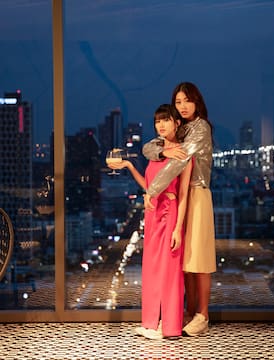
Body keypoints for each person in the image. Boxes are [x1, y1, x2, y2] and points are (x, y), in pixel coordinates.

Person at [108, 104, 192, 339]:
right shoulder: (156, 152)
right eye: (157, 121)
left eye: (165, 120)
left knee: (170, 271)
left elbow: (184, 194)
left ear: (176, 123)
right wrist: (129, 166)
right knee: (152, 270)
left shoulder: (184, 154)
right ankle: (151, 324)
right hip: (153, 215)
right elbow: (148, 187)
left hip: (170, 212)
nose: (161, 125)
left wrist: (178, 228)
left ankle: (170, 325)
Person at [143, 82, 216, 336]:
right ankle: (187, 310)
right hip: (178, 198)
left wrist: (151, 191)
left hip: (197, 194)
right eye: (178, 102)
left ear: (197, 102)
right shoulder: (179, 128)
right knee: (182, 259)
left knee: (200, 258)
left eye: (187, 101)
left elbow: (180, 161)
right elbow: (148, 148)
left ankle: (202, 315)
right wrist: (163, 151)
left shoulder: (201, 129)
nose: (183, 106)